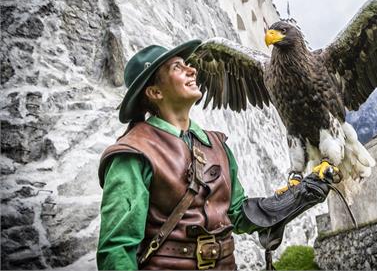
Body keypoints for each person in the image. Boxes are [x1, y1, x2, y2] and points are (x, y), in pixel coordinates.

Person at [96, 40, 335, 270]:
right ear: (155, 92)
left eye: (187, 64)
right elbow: (116, 250)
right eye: (177, 67)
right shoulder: (133, 154)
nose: (192, 70)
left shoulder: (216, 145)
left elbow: (238, 215)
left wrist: (298, 197)